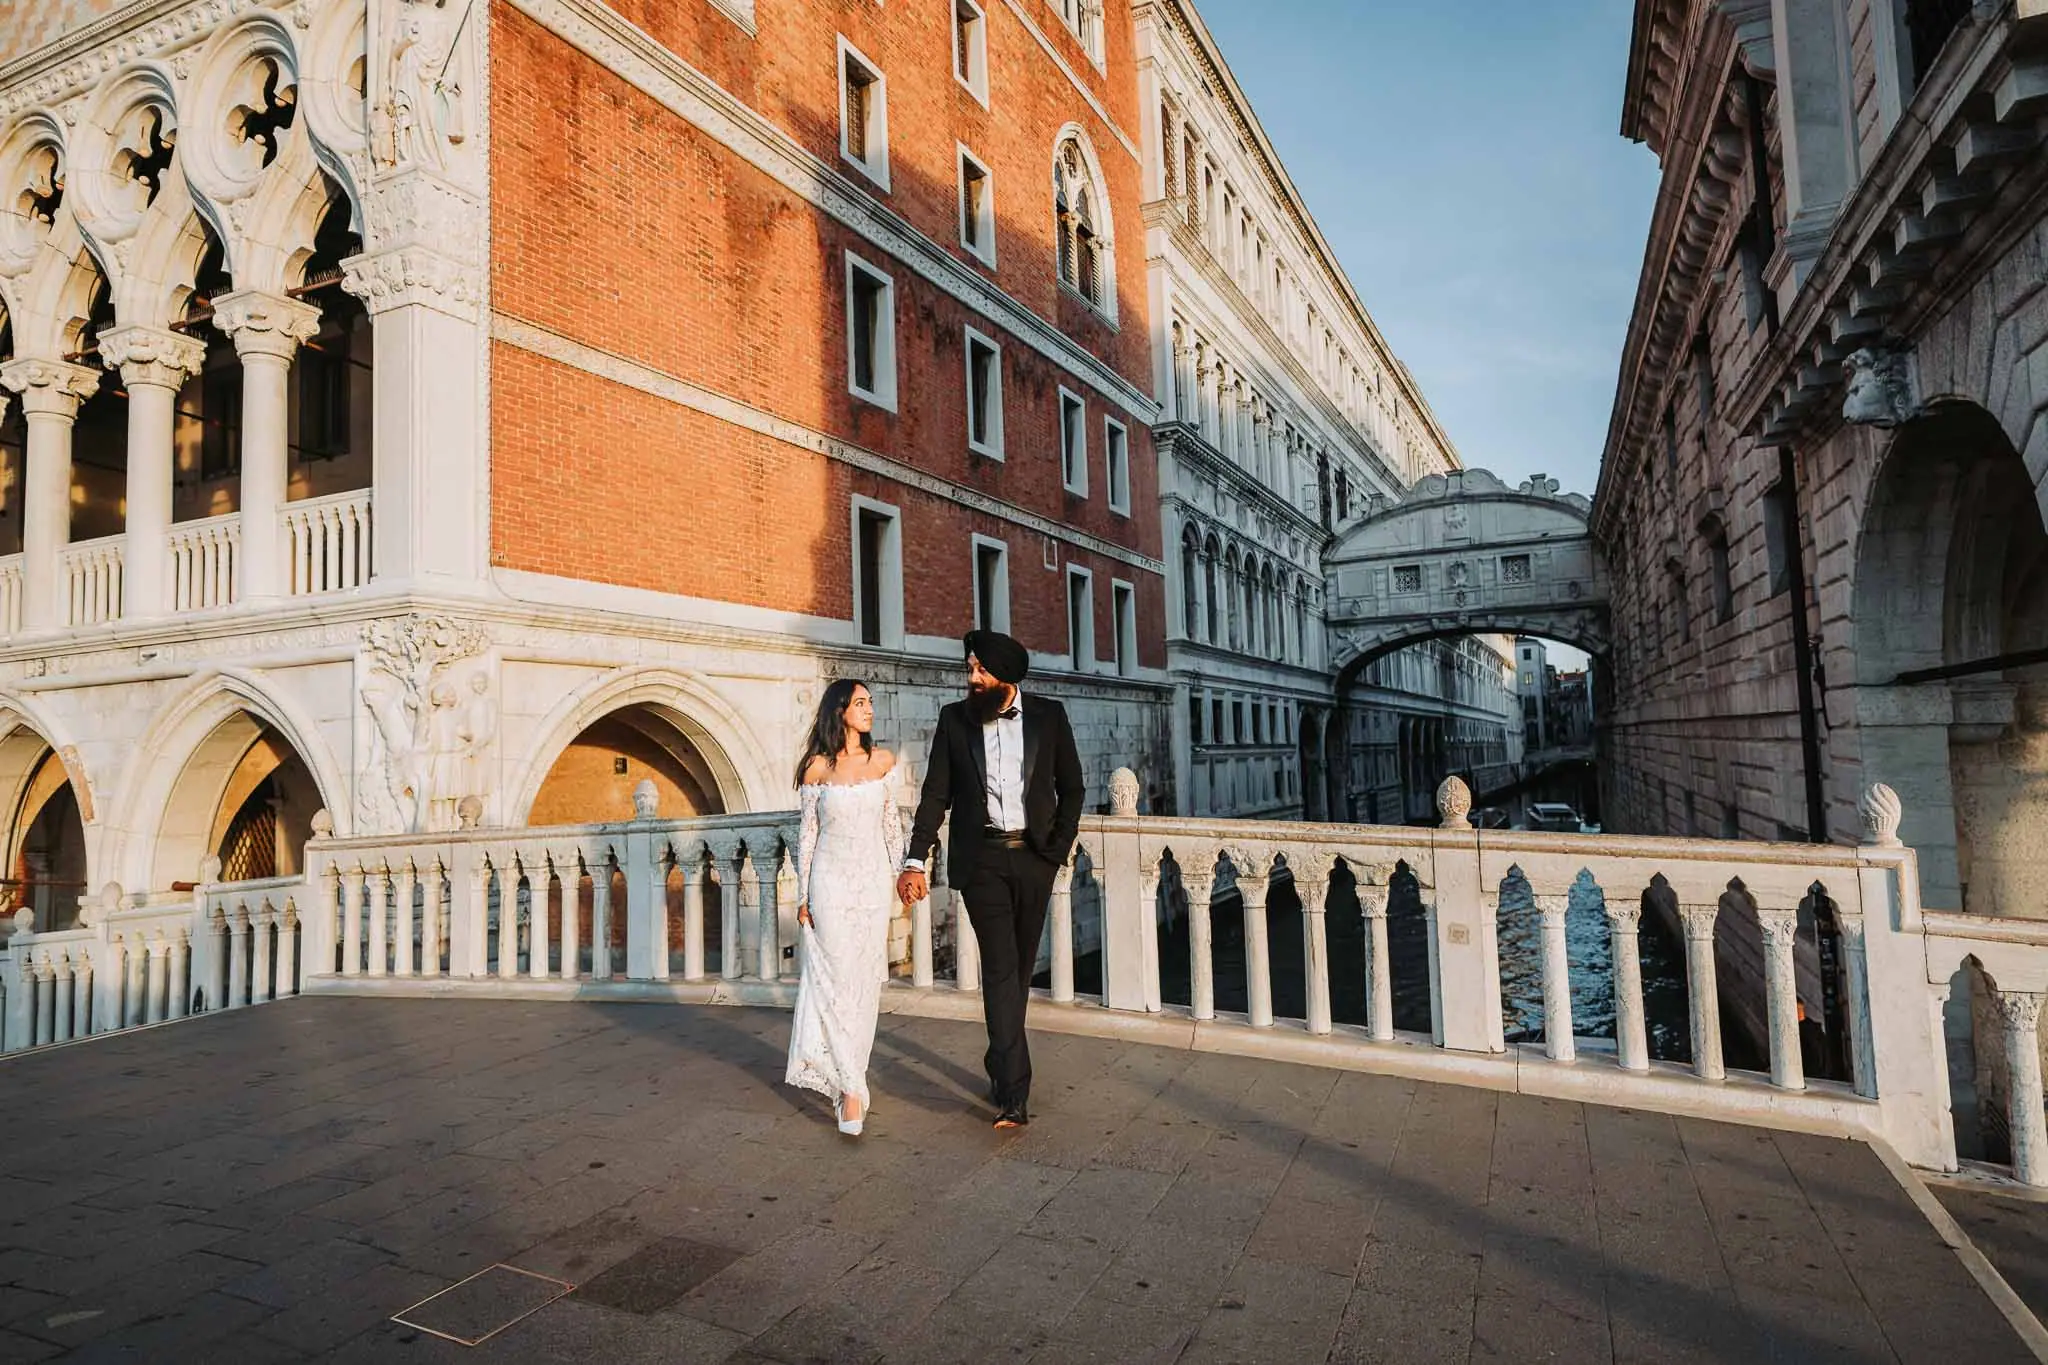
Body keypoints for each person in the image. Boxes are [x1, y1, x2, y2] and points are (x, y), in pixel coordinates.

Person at [898, 630, 1085, 1128]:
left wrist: (1057, 852)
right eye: (970, 669)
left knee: (1020, 969)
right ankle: (1014, 1096)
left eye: (980, 671)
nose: (971, 678)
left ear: (1006, 677)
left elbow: (1073, 789)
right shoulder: (954, 720)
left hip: (1034, 859)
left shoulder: (1050, 717)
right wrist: (915, 858)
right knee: (1002, 967)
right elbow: (936, 794)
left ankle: (999, 1059)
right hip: (980, 861)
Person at [785, 680, 905, 1136]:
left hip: (872, 887)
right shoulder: (817, 769)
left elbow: (892, 827)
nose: (869, 709)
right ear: (840, 711)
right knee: (833, 982)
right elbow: (808, 836)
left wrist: (902, 876)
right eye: (860, 703)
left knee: (862, 986)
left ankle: (849, 1077)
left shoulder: (883, 762)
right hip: (830, 886)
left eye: (871, 702)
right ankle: (851, 1090)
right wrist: (802, 897)